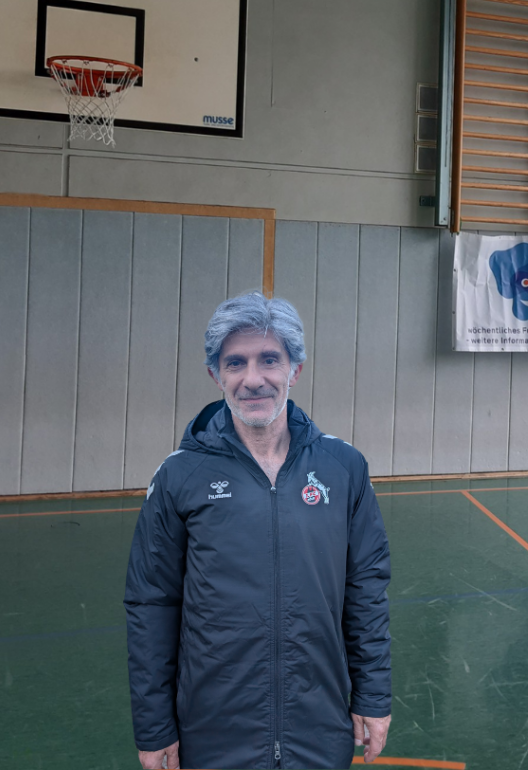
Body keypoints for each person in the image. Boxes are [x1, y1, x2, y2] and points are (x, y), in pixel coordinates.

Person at [125, 292, 392, 770]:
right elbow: (151, 605)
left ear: (295, 369)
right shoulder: (179, 476)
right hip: (213, 733)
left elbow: (366, 591)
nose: (253, 379)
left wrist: (372, 695)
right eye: (235, 363)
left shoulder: (344, 468)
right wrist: (154, 726)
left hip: (318, 727)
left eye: (269, 359)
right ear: (216, 375)